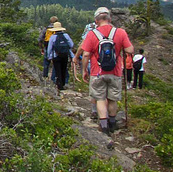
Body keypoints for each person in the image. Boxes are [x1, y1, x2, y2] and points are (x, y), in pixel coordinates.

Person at [81, 7, 134, 136]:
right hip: (115, 72)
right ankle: (112, 123)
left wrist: (84, 70)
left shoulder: (92, 34)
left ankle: (104, 126)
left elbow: (86, 54)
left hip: (97, 72)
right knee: (112, 99)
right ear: (109, 19)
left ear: (96, 20)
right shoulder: (120, 32)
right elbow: (130, 50)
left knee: (100, 98)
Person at [47, 21, 74, 92]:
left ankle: (59, 85)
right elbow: (71, 45)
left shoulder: (53, 37)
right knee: (64, 69)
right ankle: (63, 83)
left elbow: (50, 48)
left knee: (57, 70)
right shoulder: (66, 36)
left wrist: (49, 56)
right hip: (65, 55)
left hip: (56, 56)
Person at [38, 16, 58, 80]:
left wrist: (41, 48)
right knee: (55, 63)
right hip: (56, 48)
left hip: (47, 46)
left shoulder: (46, 29)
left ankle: (45, 76)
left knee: (46, 62)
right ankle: (53, 78)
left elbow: (40, 39)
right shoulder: (58, 30)